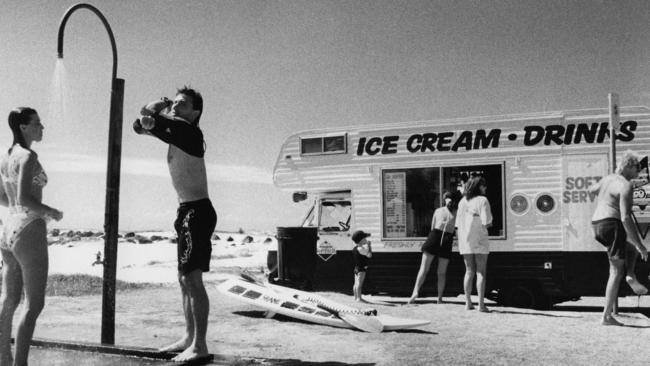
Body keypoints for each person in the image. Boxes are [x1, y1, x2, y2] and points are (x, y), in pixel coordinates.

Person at [134, 87, 217, 362]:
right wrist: (152, 116)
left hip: (197, 211)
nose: (176, 107)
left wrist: (159, 107)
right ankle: (188, 337)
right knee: (184, 279)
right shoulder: (175, 132)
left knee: (192, 279)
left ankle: (200, 345)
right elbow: (138, 125)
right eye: (175, 103)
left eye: (182, 104)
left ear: (195, 113)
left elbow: (147, 116)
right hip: (185, 211)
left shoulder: (189, 133)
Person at [0, 107, 63, 366]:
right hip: (28, 228)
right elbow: (26, 198)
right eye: (37, 123)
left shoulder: (5, 157)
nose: (42, 127)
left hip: (8, 228)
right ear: (23, 127)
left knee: (10, 298)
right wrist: (52, 212)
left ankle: (4, 359)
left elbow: (4, 197)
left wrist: (19, 204)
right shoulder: (28, 156)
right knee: (34, 304)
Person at [590, 151, 648, 326]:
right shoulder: (625, 186)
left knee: (628, 249)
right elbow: (625, 218)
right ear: (628, 166)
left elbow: (591, 189)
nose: (640, 171)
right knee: (615, 272)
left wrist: (604, 200)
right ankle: (606, 317)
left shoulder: (607, 179)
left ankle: (631, 275)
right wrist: (641, 245)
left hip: (596, 224)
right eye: (638, 167)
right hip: (612, 224)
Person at [407, 191, 459, 305]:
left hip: (441, 237)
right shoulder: (449, 212)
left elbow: (436, 227)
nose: (448, 200)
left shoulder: (448, 212)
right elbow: (452, 229)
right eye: (447, 198)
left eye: (448, 198)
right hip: (441, 237)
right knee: (433, 270)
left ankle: (429, 295)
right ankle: (430, 296)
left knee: (432, 270)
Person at [456, 176, 492, 312]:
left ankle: (468, 302)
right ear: (478, 187)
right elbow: (486, 222)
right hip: (479, 239)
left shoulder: (462, 201)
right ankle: (481, 305)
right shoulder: (483, 200)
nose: (485, 188)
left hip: (465, 240)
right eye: (483, 186)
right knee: (481, 272)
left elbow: (457, 224)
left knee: (469, 271)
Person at [351, 230, 372, 302]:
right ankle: (359, 298)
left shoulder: (355, 248)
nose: (366, 239)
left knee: (355, 283)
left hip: (356, 267)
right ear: (361, 240)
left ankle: (355, 297)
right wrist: (369, 246)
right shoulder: (361, 249)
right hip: (362, 268)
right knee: (359, 284)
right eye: (364, 238)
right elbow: (369, 255)